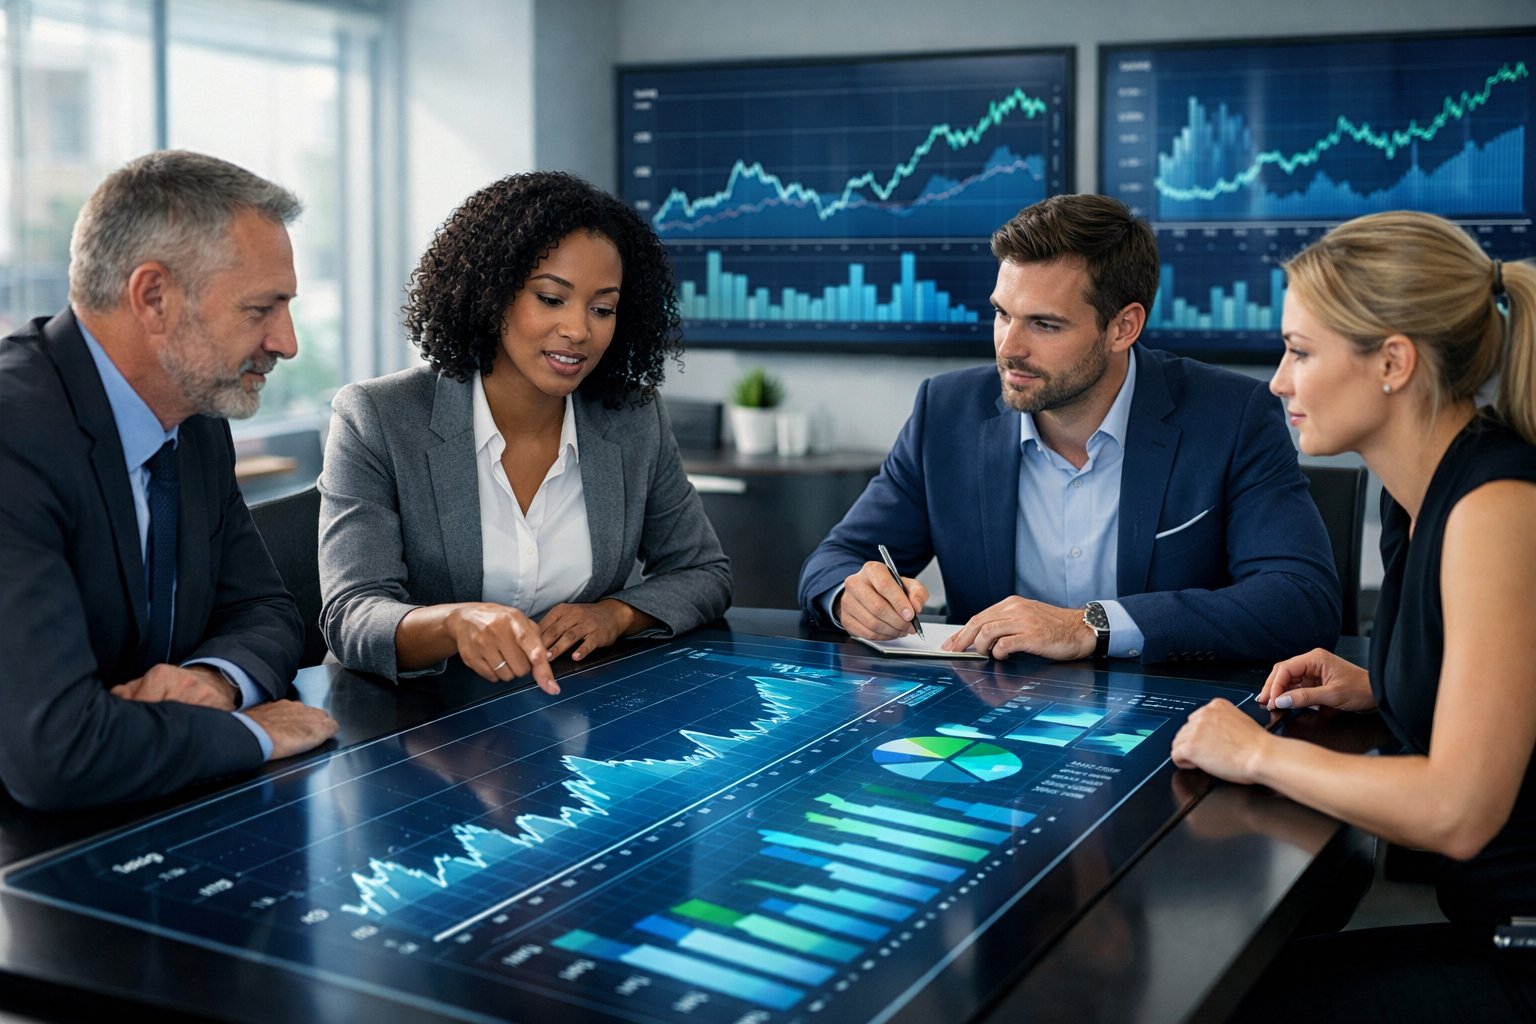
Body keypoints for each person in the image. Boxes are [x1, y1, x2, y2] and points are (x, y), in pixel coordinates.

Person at [1171, 211, 1536, 1021]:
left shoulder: (1496, 503)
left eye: (1300, 351)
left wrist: (1256, 754)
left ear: (1393, 363)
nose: (1277, 381)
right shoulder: (1421, 496)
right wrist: (1383, 684)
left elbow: (1458, 810)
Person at [798, 193, 1340, 664]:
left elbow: (1300, 600)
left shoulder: (1231, 415)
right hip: (991, 723)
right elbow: (833, 561)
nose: (1009, 348)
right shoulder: (946, 412)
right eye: (1002, 314)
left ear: (1123, 327)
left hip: (1171, 720)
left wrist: (1092, 626)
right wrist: (851, 597)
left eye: (1044, 324)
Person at [0, 150, 339, 811]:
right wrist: (247, 733)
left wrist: (215, 680)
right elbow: (56, 754)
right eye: (262, 308)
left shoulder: (194, 414)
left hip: (148, 802)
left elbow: (268, 612)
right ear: (154, 297)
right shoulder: (14, 438)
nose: (287, 341)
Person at [318, 171, 731, 690]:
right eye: (551, 299)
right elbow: (351, 614)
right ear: (492, 293)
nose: (579, 330)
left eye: (602, 308)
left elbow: (703, 573)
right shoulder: (377, 417)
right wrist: (453, 624)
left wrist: (616, 614)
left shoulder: (631, 416)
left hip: (570, 714)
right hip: (424, 721)